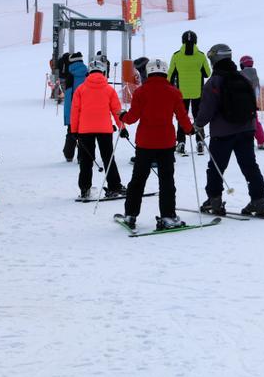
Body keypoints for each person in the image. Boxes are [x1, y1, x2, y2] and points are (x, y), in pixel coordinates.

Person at [195, 44, 264, 217]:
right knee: (250, 166)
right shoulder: (243, 78)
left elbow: (206, 109)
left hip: (223, 133)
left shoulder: (213, 82)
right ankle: (259, 202)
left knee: (216, 167)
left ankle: (215, 201)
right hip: (246, 130)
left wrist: (198, 125)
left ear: (214, 60)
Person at [119, 59, 194, 230]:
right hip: (166, 143)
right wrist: (190, 130)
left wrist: (122, 116)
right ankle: (167, 216)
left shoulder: (141, 92)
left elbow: (132, 118)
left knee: (138, 180)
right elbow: (182, 116)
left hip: (145, 142)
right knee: (167, 180)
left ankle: (130, 214)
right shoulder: (174, 92)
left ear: (148, 72)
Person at [70, 59, 126, 200]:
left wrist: (73, 130)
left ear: (88, 72)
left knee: (86, 161)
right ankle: (114, 186)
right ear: (103, 72)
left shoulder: (80, 89)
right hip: (105, 129)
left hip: (84, 130)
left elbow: (75, 111)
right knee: (108, 158)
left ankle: (85, 189)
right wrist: (122, 127)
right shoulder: (109, 89)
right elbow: (117, 111)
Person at [168, 30, 211, 155]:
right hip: (198, 92)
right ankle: (200, 141)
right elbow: (207, 73)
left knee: (182, 117)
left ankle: (181, 142)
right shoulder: (201, 56)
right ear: (196, 41)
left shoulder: (176, 56)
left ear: (182, 41)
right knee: (198, 117)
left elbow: (170, 75)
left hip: (181, 93)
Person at [239, 55, 264, 151]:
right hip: (252, 104)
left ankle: (238, 142)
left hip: (240, 103)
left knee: (238, 123)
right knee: (255, 123)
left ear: (242, 64)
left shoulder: (239, 75)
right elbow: (257, 91)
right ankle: (262, 141)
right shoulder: (255, 76)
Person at [62, 52, 87, 162]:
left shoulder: (70, 75)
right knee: (84, 133)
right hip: (86, 108)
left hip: (72, 109)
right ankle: (82, 156)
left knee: (71, 131)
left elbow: (68, 96)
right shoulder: (88, 74)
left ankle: (68, 154)